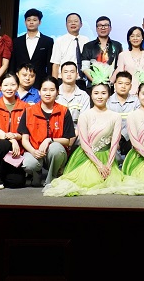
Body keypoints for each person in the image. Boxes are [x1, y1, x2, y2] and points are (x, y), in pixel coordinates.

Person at [44, 65, 123, 196]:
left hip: (107, 157)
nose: (100, 96)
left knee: (113, 183)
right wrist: (99, 165)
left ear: (109, 95)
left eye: (103, 93)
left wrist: (108, 165)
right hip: (87, 157)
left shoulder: (116, 116)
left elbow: (114, 143)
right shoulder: (85, 115)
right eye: (96, 93)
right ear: (91, 95)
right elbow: (84, 144)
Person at [20, 77, 77, 187]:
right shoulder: (29, 111)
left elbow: (67, 141)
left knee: (55, 149)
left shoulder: (64, 111)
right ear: (39, 92)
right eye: (44, 90)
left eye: (52, 90)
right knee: (28, 163)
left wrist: (49, 140)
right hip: (35, 150)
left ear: (57, 92)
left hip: (55, 152)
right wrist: (33, 151)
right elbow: (25, 139)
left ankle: (51, 178)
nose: (48, 93)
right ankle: (36, 174)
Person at [0, 73, 27, 190]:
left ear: (17, 87)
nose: (9, 88)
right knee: (5, 144)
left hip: (15, 152)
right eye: (6, 85)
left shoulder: (26, 107)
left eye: (13, 85)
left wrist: (16, 136)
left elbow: (25, 133)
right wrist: (12, 140)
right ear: (1, 87)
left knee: (17, 182)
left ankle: (3, 172)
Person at [10, 8, 55, 84]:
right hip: (20, 81)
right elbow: (13, 64)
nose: (31, 22)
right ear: (25, 22)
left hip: (40, 81)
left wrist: (49, 82)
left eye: (34, 20)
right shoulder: (17, 41)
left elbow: (49, 65)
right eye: (28, 20)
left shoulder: (47, 41)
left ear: (39, 22)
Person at [80, 16, 123, 91]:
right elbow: (85, 68)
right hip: (93, 87)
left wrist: (110, 82)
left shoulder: (117, 45)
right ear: (96, 28)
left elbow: (120, 66)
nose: (103, 28)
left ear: (110, 28)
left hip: (112, 87)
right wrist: (96, 82)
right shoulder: (88, 46)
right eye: (100, 25)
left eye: (106, 25)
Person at [107, 71, 137, 166]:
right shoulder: (107, 102)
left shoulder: (137, 102)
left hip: (131, 137)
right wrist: (115, 137)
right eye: (120, 83)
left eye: (127, 84)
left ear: (131, 86)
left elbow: (137, 122)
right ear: (115, 85)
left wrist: (122, 135)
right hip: (111, 137)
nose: (123, 86)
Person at [50, 12, 89, 80]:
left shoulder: (86, 40)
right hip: (63, 80)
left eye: (76, 21)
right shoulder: (59, 41)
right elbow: (56, 65)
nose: (73, 23)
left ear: (81, 24)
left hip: (82, 80)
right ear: (66, 25)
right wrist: (54, 83)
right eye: (70, 22)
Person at [56, 61, 91, 126]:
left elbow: (84, 121)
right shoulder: (54, 94)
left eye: (72, 72)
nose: (69, 74)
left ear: (77, 75)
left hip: (77, 131)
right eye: (66, 72)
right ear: (60, 75)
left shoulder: (84, 96)